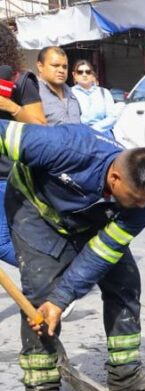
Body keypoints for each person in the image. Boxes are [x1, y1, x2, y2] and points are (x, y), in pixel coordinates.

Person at [3, 120, 145, 391]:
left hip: (91, 221)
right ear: (115, 177)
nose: (142, 205)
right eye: (137, 197)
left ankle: (125, 374)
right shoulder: (64, 147)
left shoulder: (141, 205)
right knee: (40, 294)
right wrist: (52, 301)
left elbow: (101, 254)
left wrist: (63, 299)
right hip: (35, 210)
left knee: (124, 282)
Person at [0, 25, 47, 268]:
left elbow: (40, 126)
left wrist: (10, 107)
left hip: (10, 174)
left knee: (2, 242)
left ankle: (53, 279)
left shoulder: (20, 80)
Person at [35, 47, 81, 126]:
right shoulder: (33, 91)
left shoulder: (70, 92)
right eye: (55, 65)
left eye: (65, 67)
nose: (61, 70)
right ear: (40, 66)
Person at [71, 60, 119, 135]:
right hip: (80, 136)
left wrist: (94, 130)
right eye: (80, 72)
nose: (84, 74)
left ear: (92, 74)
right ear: (74, 75)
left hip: (103, 136)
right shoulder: (70, 93)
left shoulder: (103, 92)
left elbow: (112, 117)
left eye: (88, 72)